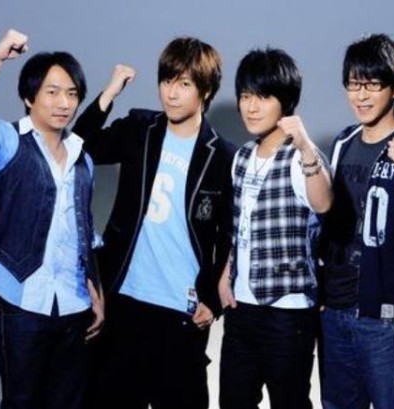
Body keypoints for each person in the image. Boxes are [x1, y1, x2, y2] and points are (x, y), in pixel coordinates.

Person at [72, 37, 234, 409]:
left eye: (184, 84)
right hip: (123, 300)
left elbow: (229, 236)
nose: (171, 93)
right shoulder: (139, 128)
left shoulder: (222, 157)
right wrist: (108, 94)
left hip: (181, 312)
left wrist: (213, 301)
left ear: (206, 90)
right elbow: (78, 148)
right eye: (166, 81)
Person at [0, 29, 104, 409]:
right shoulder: (9, 144)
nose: (64, 103)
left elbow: (83, 230)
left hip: (74, 306)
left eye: (72, 93)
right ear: (29, 97)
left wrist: (95, 292)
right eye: (52, 92)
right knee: (21, 402)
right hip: (22, 303)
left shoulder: (83, 159)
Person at [317, 33, 394, 409]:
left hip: (383, 316)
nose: (361, 95)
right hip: (335, 309)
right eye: (354, 85)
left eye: (372, 85)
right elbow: (329, 220)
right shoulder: (343, 142)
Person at [218, 47, 332, 409]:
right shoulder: (241, 156)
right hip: (241, 309)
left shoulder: (301, 158)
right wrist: (225, 273)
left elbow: (324, 203)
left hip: (288, 311)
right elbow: (240, 224)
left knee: (290, 402)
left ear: (286, 101)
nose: (251, 107)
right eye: (245, 96)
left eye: (263, 97)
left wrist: (307, 147)